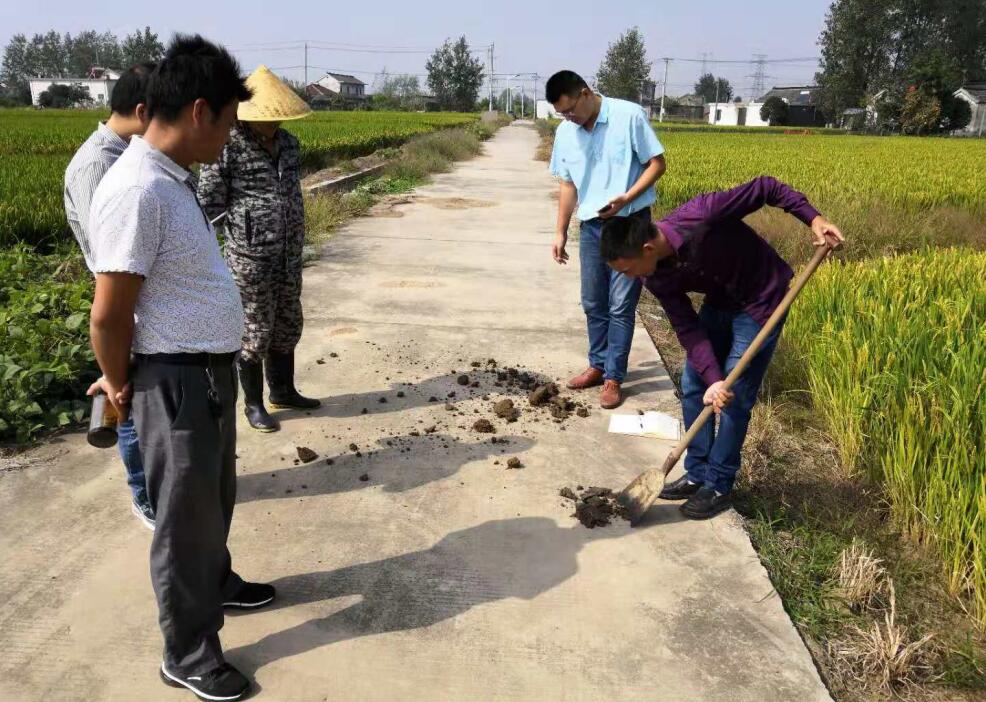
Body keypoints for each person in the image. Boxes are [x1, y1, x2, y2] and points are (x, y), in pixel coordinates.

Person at [87, 35, 273, 701]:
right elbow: (109, 315)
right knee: (182, 522)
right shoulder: (137, 191)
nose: (229, 138)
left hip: (206, 374)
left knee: (211, 501)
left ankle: (215, 581)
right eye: (228, 122)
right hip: (173, 380)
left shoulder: (169, 181)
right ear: (201, 112)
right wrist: (117, 381)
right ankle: (188, 652)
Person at [600, 176, 844, 519]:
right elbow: (686, 325)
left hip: (762, 299)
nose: (627, 277)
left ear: (647, 249)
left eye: (626, 269)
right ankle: (697, 472)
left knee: (734, 395)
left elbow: (766, 187)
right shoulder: (652, 274)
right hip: (721, 300)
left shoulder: (703, 214)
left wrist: (813, 218)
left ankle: (718, 484)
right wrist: (711, 378)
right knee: (695, 385)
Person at [198, 65, 320, 433]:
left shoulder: (289, 144)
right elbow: (209, 203)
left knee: (287, 321)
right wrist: (244, 231)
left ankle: (283, 391)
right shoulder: (227, 146)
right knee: (254, 330)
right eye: (268, 119)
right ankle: (252, 404)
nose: (273, 125)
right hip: (249, 260)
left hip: (288, 254)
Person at [63, 61, 157, 530]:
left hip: (145, 301)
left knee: (142, 397)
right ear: (143, 111)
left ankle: (157, 481)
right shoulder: (98, 166)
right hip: (124, 303)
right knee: (126, 396)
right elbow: (113, 257)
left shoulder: (132, 153)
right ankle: (143, 495)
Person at [546, 70, 667, 409]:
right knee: (593, 302)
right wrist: (559, 231)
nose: (568, 118)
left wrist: (627, 198)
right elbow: (568, 185)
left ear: (585, 93)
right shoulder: (565, 133)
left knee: (620, 306)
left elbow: (657, 164)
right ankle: (597, 365)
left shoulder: (628, 116)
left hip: (630, 223)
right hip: (592, 227)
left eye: (571, 110)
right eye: (562, 114)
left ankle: (614, 376)